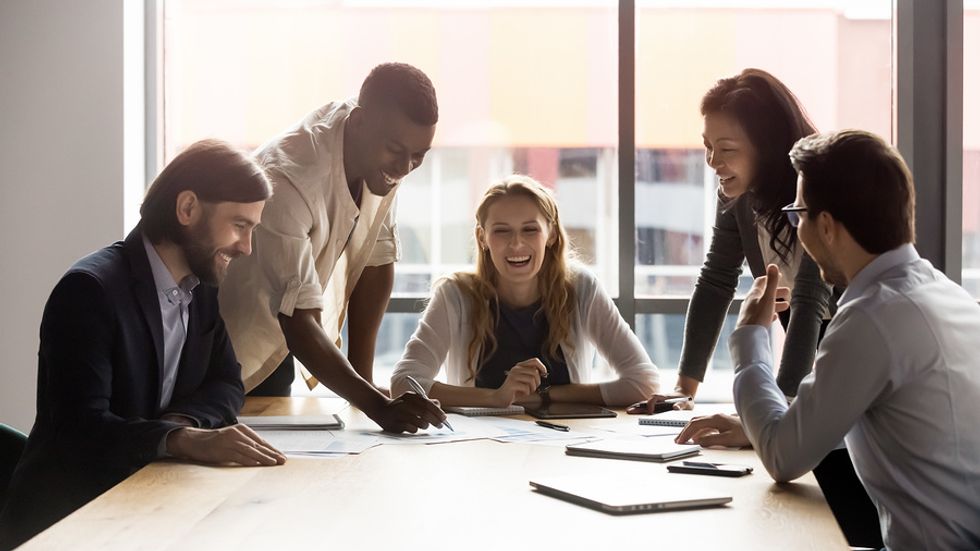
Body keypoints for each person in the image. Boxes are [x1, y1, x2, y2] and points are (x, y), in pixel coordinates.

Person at [677, 130, 980, 550]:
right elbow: (900, 421)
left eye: (798, 215)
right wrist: (763, 424)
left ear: (826, 226)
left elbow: (784, 459)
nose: (796, 230)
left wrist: (751, 339)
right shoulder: (943, 294)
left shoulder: (871, 318)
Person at [0, 140, 286, 549]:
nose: (246, 247)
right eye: (240, 225)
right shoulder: (89, 290)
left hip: (149, 499)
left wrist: (179, 426)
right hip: (68, 518)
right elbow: (79, 427)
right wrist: (180, 441)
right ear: (187, 209)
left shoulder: (200, 287)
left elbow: (226, 383)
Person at [218, 63, 446, 434]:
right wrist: (378, 406)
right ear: (358, 124)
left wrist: (367, 385)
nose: (406, 167)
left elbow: (376, 258)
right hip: (224, 348)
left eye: (419, 155)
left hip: (278, 348)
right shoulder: (288, 181)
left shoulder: (383, 150)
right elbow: (298, 320)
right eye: (397, 151)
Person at [391, 175, 659, 408]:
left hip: (565, 443)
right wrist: (495, 398)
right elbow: (404, 383)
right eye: (501, 231)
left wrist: (544, 395)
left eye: (530, 230)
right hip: (478, 448)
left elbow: (644, 382)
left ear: (551, 234)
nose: (516, 244)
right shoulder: (455, 294)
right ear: (482, 238)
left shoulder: (581, 287)